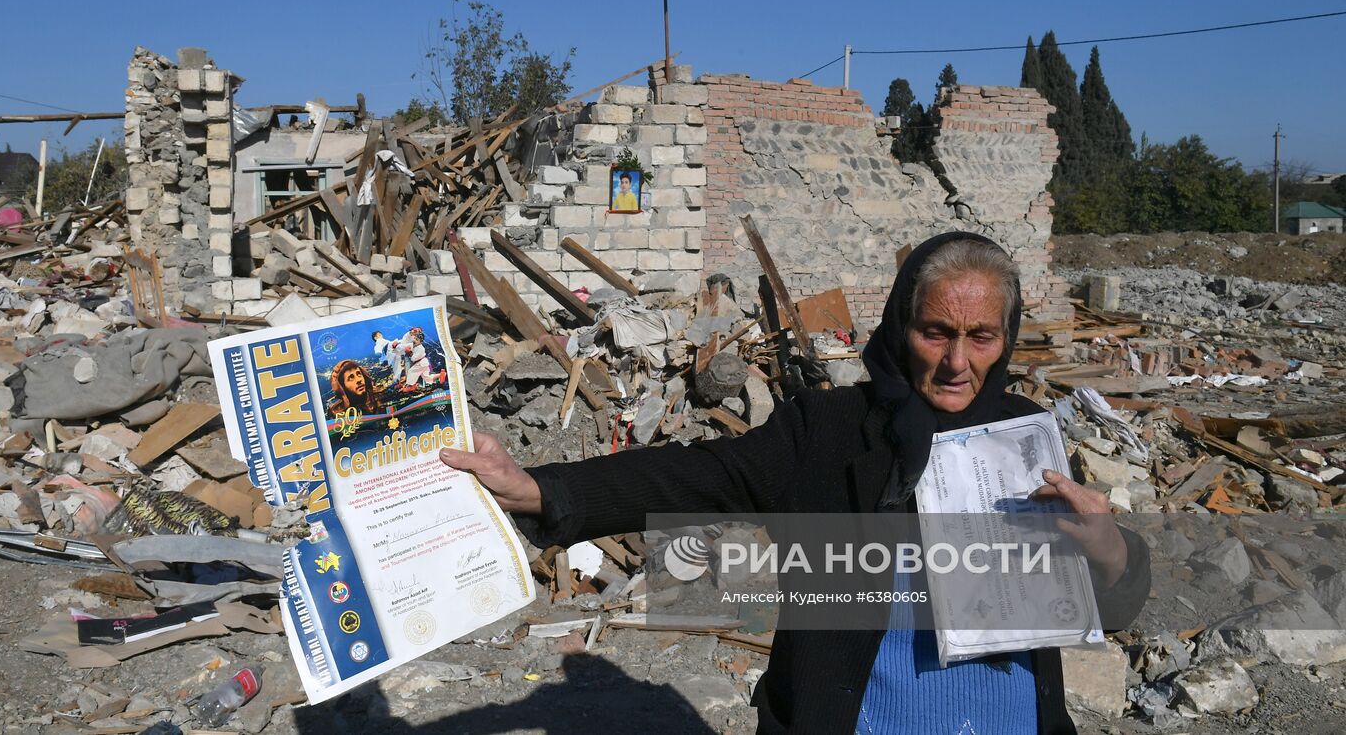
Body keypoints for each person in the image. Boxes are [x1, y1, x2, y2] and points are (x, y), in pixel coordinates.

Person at [441, 232, 1150, 734]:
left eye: (982, 337)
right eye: (936, 332)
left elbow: (1109, 596)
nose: (957, 362)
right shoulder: (829, 431)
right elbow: (693, 475)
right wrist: (538, 489)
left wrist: (1109, 549)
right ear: (902, 327)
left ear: (1007, 335)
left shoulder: (1026, 439)